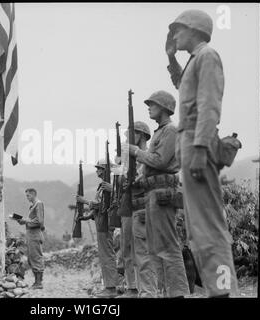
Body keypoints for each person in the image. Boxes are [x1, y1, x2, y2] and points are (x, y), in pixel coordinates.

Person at [166, 9, 238, 297]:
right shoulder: (196, 60)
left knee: (209, 225)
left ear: (195, 29)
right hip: (192, 147)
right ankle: (218, 290)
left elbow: (209, 106)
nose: (174, 35)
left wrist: (198, 148)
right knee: (199, 228)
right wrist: (171, 58)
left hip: (199, 147)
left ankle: (223, 290)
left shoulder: (207, 56)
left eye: (178, 30)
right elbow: (185, 89)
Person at [123, 90, 190, 298]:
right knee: (155, 250)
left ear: (164, 107)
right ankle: (165, 292)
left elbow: (160, 161)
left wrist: (135, 151)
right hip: (154, 193)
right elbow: (155, 167)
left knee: (168, 246)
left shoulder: (171, 130)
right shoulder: (161, 131)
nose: (149, 107)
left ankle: (177, 293)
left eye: (153, 104)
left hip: (162, 194)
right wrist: (139, 180)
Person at [116, 121, 159, 298]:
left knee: (144, 252)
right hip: (130, 205)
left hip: (144, 206)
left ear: (140, 135)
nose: (126, 138)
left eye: (129, 134)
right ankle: (135, 288)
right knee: (129, 248)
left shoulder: (148, 155)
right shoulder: (129, 158)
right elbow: (121, 182)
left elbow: (142, 179)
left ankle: (146, 290)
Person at [76, 159, 120, 298]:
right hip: (101, 223)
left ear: (104, 170)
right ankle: (108, 286)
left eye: (99, 168)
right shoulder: (102, 186)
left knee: (107, 255)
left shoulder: (110, 186)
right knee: (104, 255)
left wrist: (84, 201)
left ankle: (111, 287)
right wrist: (88, 216)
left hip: (106, 224)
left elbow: (104, 204)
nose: (97, 171)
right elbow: (99, 207)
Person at [13, 188, 45, 289]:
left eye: (28, 196)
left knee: (36, 257)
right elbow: (33, 220)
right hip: (31, 235)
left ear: (33, 194)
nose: (27, 198)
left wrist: (26, 221)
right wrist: (23, 220)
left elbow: (40, 221)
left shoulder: (38, 204)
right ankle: (37, 282)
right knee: (32, 258)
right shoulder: (32, 206)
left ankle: (38, 283)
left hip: (35, 235)